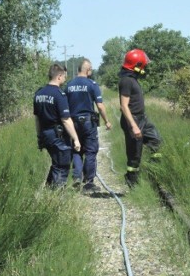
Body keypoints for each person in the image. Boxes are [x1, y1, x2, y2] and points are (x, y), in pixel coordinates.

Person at [118, 48, 162, 187]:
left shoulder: (133, 79)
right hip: (133, 121)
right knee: (135, 155)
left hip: (142, 119)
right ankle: (132, 183)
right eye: (143, 65)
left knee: (156, 140)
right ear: (136, 66)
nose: (145, 67)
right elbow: (124, 106)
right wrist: (134, 126)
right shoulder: (126, 81)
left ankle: (153, 170)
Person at [66, 59, 112, 193]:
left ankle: (76, 178)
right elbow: (100, 105)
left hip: (72, 122)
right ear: (88, 70)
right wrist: (107, 121)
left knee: (76, 149)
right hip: (88, 121)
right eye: (91, 69)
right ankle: (89, 183)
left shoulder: (69, 85)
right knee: (91, 151)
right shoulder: (92, 84)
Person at [34, 63, 81, 189]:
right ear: (59, 76)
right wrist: (76, 139)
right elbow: (66, 120)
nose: (65, 79)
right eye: (64, 76)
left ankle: (48, 191)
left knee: (56, 163)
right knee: (62, 164)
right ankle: (57, 195)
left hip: (45, 133)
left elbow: (37, 119)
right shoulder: (59, 95)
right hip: (57, 135)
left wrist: (39, 136)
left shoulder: (39, 94)